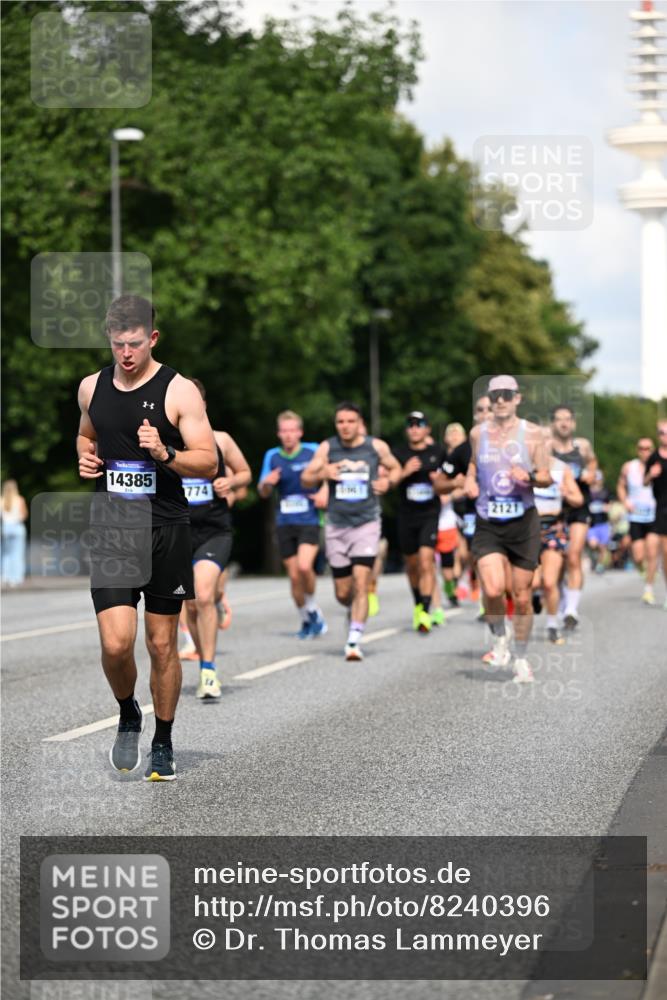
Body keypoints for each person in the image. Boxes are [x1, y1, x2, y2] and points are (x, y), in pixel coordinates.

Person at [77, 295, 217, 782]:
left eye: (134, 343)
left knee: (162, 646)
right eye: (118, 344)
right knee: (117, 646)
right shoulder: (91, 387)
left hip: (166, 531)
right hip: (114, 532)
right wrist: (85, 456)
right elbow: (86, 433)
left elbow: (209, 460)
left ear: (152, 338)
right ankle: (128, 713)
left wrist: (165, 452)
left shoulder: (179, 391)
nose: (126, 353)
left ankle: (163, 739)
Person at [464, 375, 552, 683]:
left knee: (523, 596)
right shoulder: (478, 434)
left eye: (506, 394)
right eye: (494, 395)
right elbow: (473, 464)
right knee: (491, 588)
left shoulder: (533, 434)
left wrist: (528, 476)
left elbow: (546, 477)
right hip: (489, 521)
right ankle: (500, 637)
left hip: (523, 522)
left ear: (517, 398)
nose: (500, 400)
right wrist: (468, 479)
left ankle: (522, 658)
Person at [301, 402, 401, 660]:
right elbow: (306, 478)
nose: (345, 426)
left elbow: (396, 468)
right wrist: (324, 471)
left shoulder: (375, 446)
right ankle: (353, 611)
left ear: (359, 423)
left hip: (366, 523)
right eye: (340, 422)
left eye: (350, 421)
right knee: (343, 592)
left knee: (361, 582)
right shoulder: (327, 447)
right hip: (337, 525)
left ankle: (354, 640)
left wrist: (389, 481)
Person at [182, 378, 251, 699]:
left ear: (203, 405)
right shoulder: (167, 439)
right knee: (189, 606)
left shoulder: (220, 440)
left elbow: (245, 472)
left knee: (203, 595)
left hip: (213, 530)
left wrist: (232, 482)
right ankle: (202, 656)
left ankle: (208, 672)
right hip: (177, 532)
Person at [258, 410, 327, 638]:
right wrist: (268, 483)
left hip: (309, 519)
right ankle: (307, 618)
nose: (288, 435)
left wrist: (324, 494)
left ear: (300, 432)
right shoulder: (272, 456)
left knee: (305, 567)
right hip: (285, 521)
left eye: (292, 431)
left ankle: (312, 606)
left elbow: (329, 476)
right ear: (279, 434)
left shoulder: (313, 451)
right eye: (284, 431)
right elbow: (263, 491)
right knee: (295, 575)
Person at [392, 411, 445, 633]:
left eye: (419, 424)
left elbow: (453, 479)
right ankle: (418, 604)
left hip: (429, 515)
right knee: (412, 565)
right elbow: (389, 482)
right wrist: (404, 472)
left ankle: (425, 610)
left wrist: (440, 481)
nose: (414, 428)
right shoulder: (399, 453)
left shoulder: (438, 453)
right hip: (406, 516)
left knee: (426, 561)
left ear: (427, 429)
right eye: (410, 424)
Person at [549, 405, 597, 631]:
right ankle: (558, 602)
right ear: (553, 424)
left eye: (567, 419)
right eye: (559, 420)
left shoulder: (582, 446)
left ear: (574, 423)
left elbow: (593, 464)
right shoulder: (547, 448)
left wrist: (590, 473)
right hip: (555, 509)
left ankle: (571, 610)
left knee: (573, 555)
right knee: (557, 561)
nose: (564, 423)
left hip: (579, 508)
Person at [533, 452, 583, 644]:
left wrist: (567, 493)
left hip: (553, 526)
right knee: (533, 582)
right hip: (528, 528)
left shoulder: (562, 468)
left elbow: (578, 499)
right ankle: (535, 597)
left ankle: (552, 625)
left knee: (549, 581)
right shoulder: (523, 464)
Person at [617, 438, 659, 603]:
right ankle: (644, 570)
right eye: (641, 448)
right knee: (638, 555)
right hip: (636, 516)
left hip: (654, 515)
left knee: (652, 552)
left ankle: (648, 590)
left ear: (653, 449)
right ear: (637, 450)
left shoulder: (659, 466)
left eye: (648, 448)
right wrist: (625, 501)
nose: (645, 451)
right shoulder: (629, 467)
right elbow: (621, 486)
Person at [644, 419, 667, 608]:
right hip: (659, 508)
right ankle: (648, 589)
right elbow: (644, 481)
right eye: (661, 432)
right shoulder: (653, 457)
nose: (664, 436)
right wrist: (651, 474)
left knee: (666, 554)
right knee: (651, 551)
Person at [1, 479, 28, 587]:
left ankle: (5, 576)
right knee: (17, 554)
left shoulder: (2, 500)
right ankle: (16, 578)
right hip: (17, 527)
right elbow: (24, 515)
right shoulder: (20, 500)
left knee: (6, 554)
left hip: (6, 528)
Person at [586, 473, 611, 574]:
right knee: (593, 544)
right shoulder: (587, 491)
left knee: (602, 547)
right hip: (592, 524)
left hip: (603, 523)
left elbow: (609, 506)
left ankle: (600, 565)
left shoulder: (605, 491)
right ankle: (595, 558)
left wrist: (603, 508)